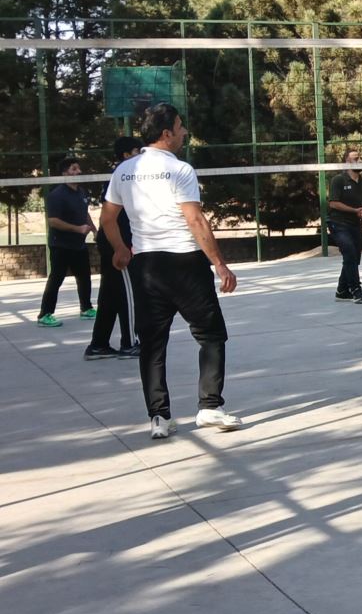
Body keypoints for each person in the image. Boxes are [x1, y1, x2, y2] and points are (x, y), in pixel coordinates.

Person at [101, 103, 241, 439]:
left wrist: (120, 248)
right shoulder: (180, 169)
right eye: (180, 126)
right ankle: (209, 407)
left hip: (146, 265)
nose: (184, 132)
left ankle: (159, 418)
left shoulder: (123, 171)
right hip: (185, 262)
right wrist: (219, 263)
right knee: (211, 335)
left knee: (152, 343)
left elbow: (107, 218)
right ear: (166, 133)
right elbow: (195, 219)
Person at [84, 137, 143, 359]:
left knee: (110, 295)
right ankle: (130, 343)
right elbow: (109, 217)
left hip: (113, 241)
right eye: (137, 151)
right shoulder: (122, 175)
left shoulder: (124, 174)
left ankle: (98, 345)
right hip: (118, 243)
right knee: (129, 293)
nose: (141, 156)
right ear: (126, 155)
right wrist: (122, 246)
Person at [39, 157, 96, 328]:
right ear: (64, 173)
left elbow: (85, 213)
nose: (79, 172)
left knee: (84, 277)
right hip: (61, 245)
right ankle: (45, 314)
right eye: (74, 169)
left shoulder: (81, 192)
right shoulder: (57, 195)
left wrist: (94, 230)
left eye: (78, 168)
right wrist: (77, 229)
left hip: (79, 245)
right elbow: (53, 221)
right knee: (56, 278)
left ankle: (86, 309)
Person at [327, 149, 362, 304]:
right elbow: (333, 203)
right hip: (339, 223)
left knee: (354, 258)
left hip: (356, 224)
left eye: (360, 158)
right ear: (347, 161)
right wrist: (354, 210)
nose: (359, 161)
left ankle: (342, 291)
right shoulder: (338, 180)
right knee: (350, 254)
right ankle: (355, 290)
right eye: (355, 158)